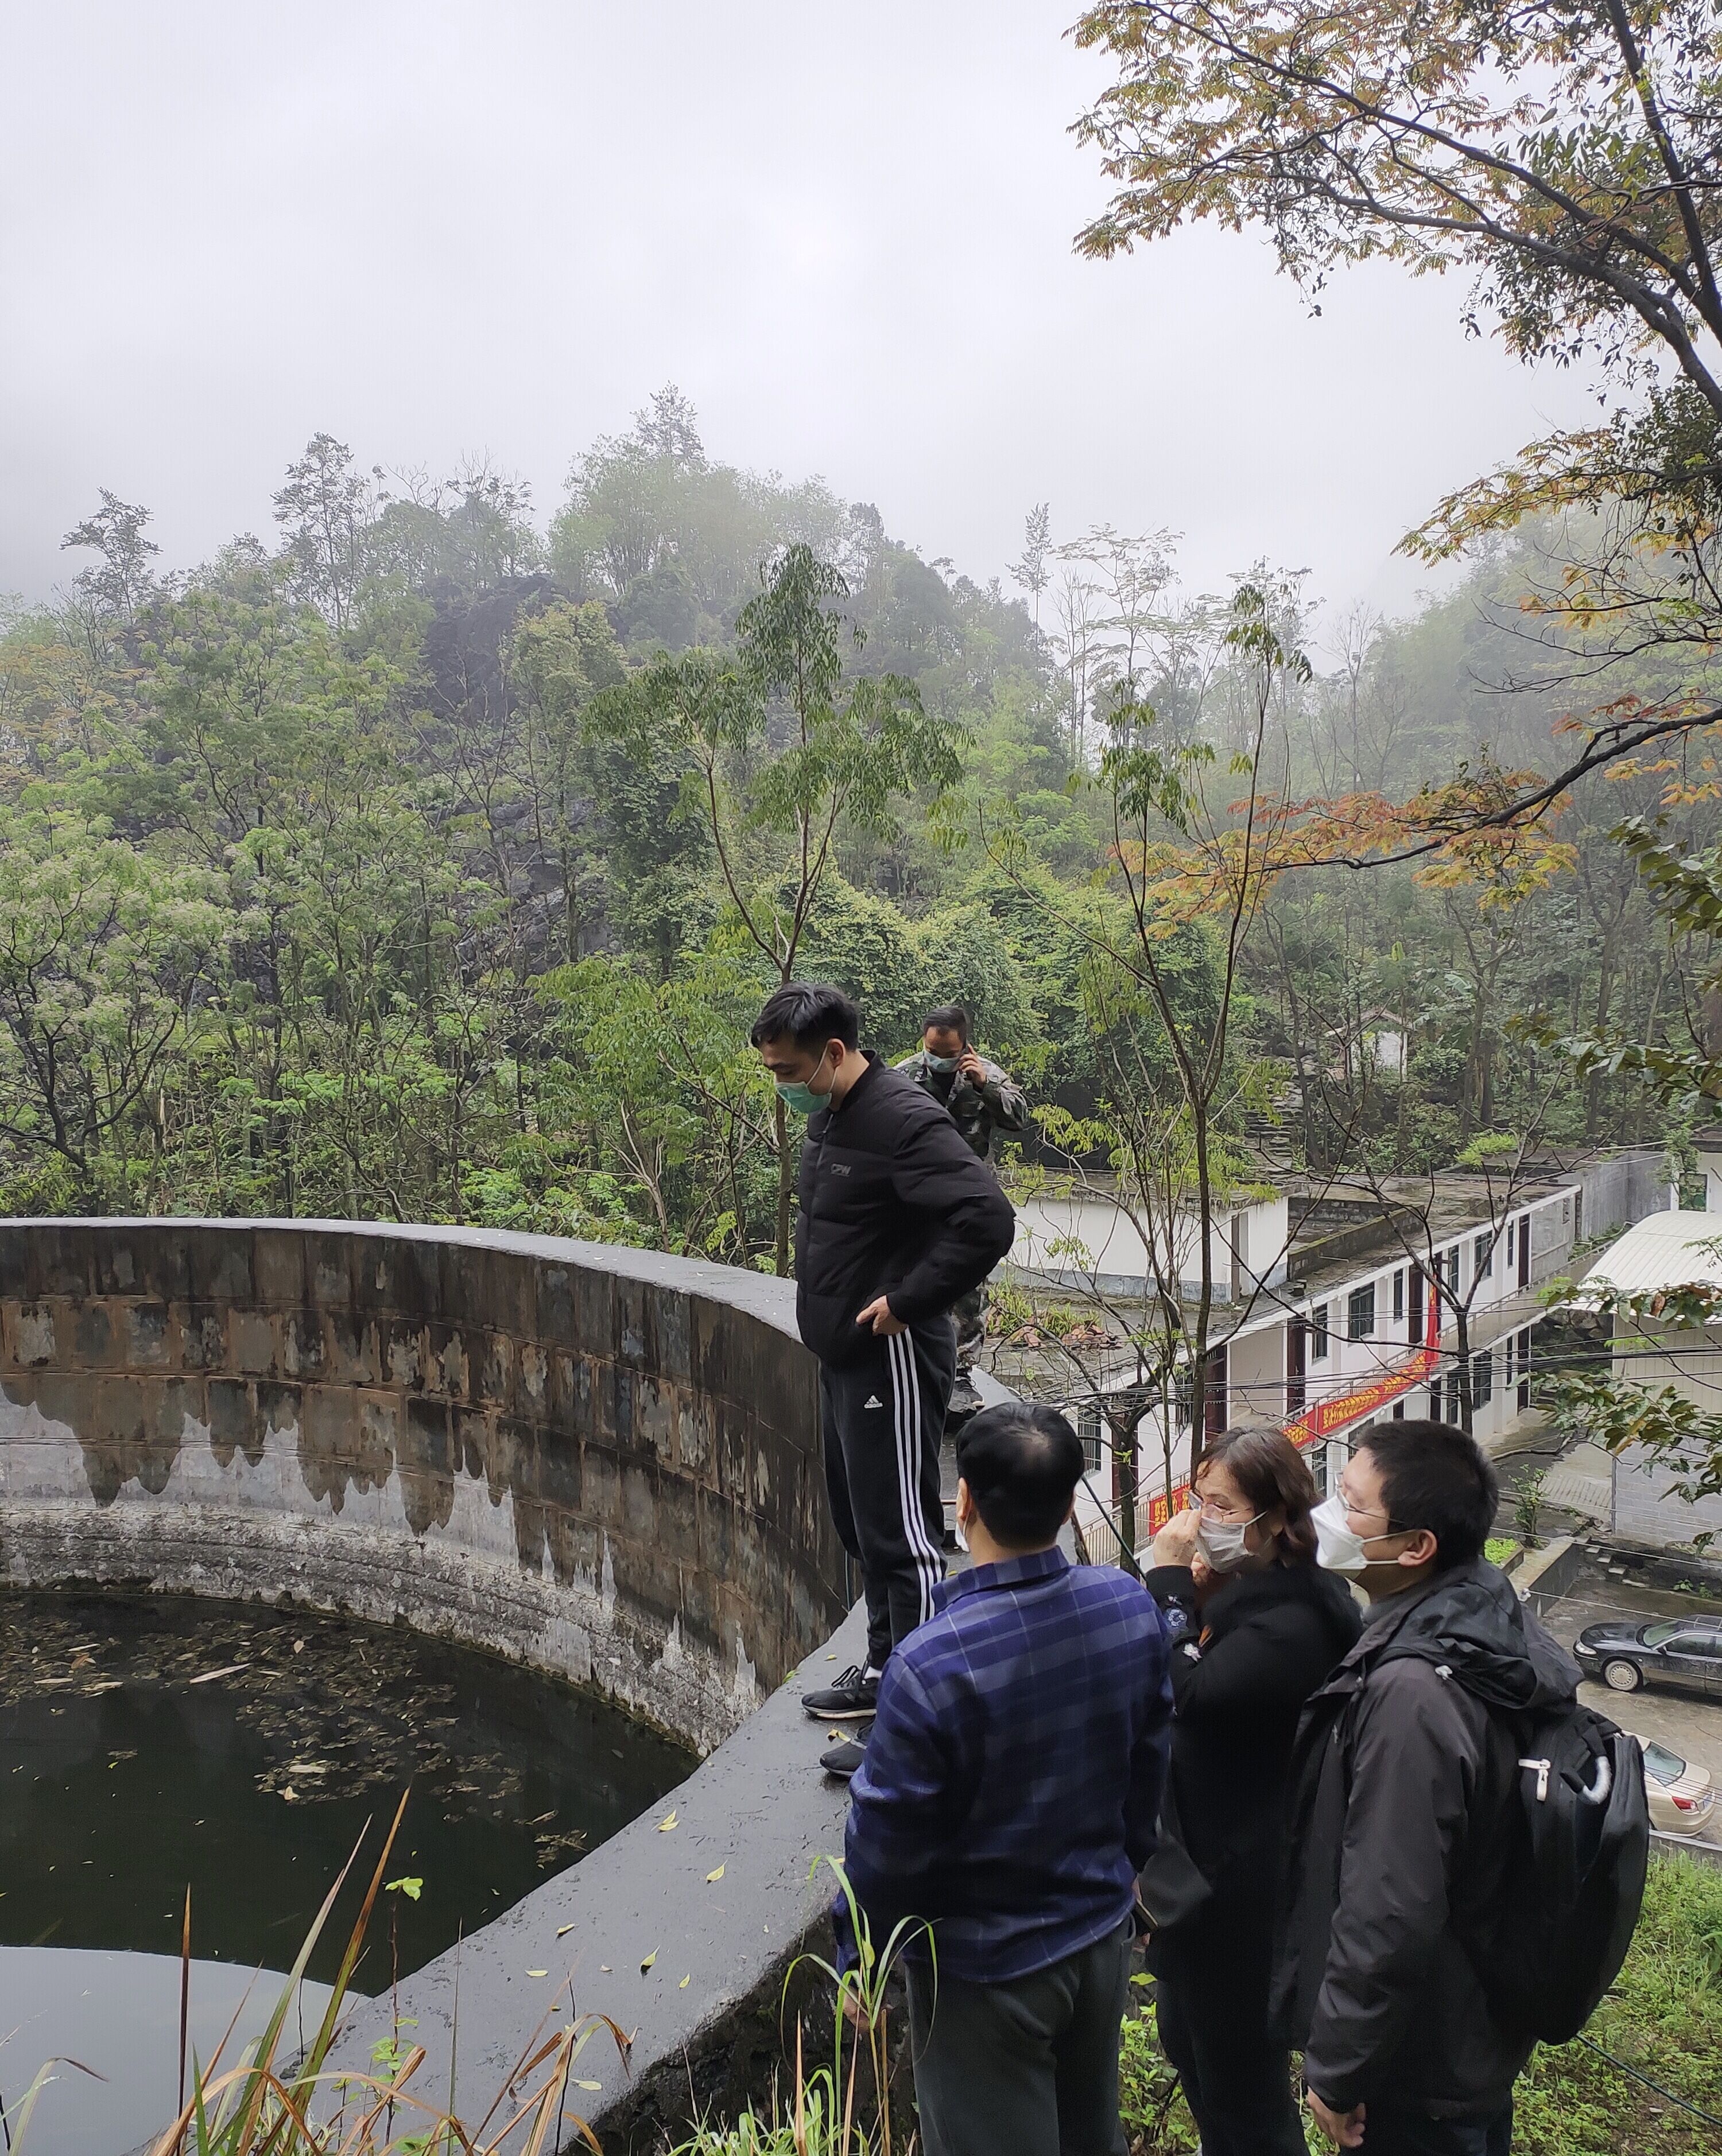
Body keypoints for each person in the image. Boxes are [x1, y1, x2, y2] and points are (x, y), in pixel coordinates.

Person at [838, 1402, 1172, 2156]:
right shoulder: (1127, 1605)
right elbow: (1149, 1763)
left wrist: (862, 1955)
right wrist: (1128, 1868)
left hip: (985, 1973)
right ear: (1069, 1502)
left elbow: (887, 1841)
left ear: (964, 1504)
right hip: (1097, 1934)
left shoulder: (929, 1665)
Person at [1273, 1420, 1581, 2156]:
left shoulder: (1415, 1690)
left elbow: (1392, 1898)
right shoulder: (1478, 1611)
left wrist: (1340, 2067)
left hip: (1416, 2067)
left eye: (1351, 1505)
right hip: (1463, 2031)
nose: (1329, 1517)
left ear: (1416, 1548)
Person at [750, 981, 1015, 1777]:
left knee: (904, 1539)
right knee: (860, 1525)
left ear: (834, 1053)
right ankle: (881, 1672)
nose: (782, 1085)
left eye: (788, 1069)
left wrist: (910, 1299)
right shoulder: (832, 1112)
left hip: (891, 1357)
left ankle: (922, 1719)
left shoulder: (900, 1117)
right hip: (844, 1356)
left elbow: (987, 1217)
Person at [1140, 1426, 1362, 2156]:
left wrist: (1170, 1585)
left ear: (1273, 1519)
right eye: (1199, 1499)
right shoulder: (1256, 1597)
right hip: (1202, 1876)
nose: (1202, 1518)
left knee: (1241, 2091)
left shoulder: (1298, 1620)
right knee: (1189, 2043)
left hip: (1242, 1894)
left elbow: (1193, 1695)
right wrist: (1204, 1601)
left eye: (1221, 1504)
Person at [896, 1004, 1027, 1388]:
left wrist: (985, 1086)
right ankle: (916, 1362)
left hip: (969, 1197)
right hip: (918, 1197)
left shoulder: (985, 1074)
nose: (938, 1060)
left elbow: (1019, 1117)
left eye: (947, 1054)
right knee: (915, 1275)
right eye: (932, 1052)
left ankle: (962, 1372)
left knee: (968, 1284)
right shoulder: (903, 1075)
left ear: (964, 1046)